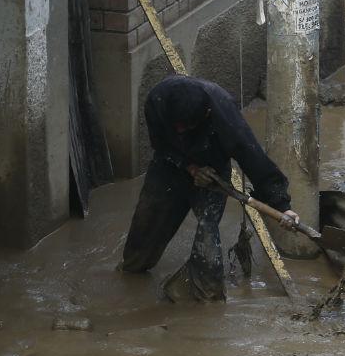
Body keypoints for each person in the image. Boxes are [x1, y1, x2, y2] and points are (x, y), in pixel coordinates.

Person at [120, 75, 300, 302]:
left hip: (214, 173)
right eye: (177, 126)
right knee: (143, 235)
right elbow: (160, 144)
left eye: (188, 126)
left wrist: (282, 205)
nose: (182, 130)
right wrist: (190, 167)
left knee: (208, 237)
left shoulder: (224, 112)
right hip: (169, 167)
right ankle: (131, 271)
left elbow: (253, 158)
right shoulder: (158, 100)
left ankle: (209, 301)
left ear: (206, 114)